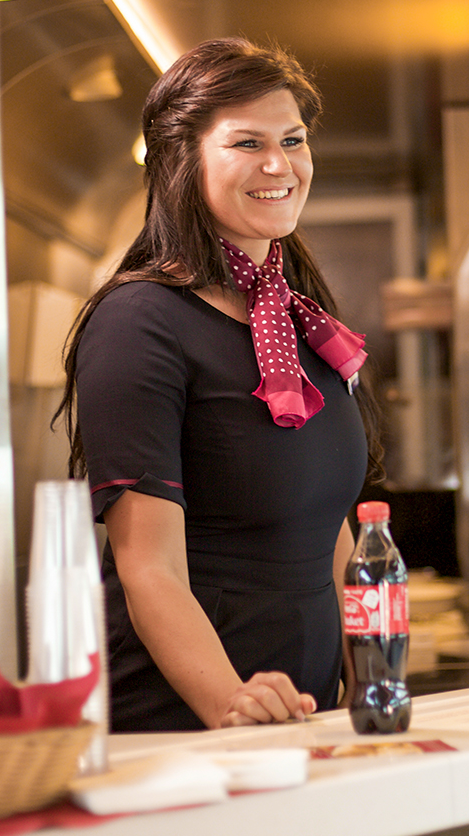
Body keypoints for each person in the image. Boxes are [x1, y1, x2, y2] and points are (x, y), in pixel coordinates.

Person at [55, 38, 382, 731]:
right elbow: (149, 569)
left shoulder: (299, 320)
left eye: (292, 139)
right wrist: (231, 704)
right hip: (189, 729)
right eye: (246, 143)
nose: (279, 164)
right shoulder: (139, 322)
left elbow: (327, 527)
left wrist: (369, 676)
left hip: (302, 720)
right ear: (181, 161)